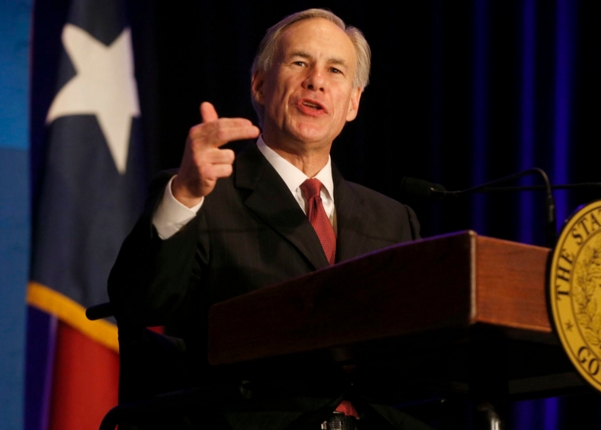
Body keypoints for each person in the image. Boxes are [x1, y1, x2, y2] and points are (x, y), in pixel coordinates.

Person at [109, 8, 427, 430]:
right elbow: (140, 303)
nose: (316, 80)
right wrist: (184, 195)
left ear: (353, 102)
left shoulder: (393, 220)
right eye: (299, 62)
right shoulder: (203, 194)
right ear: (259, 84)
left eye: (335, 70)